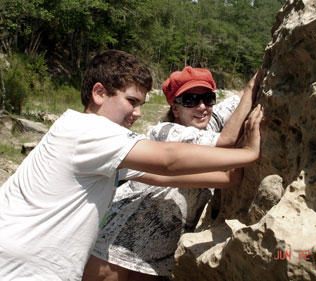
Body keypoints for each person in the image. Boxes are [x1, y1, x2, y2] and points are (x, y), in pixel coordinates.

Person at [0, 50, 263, 280]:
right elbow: (169, 160)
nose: (138, 113)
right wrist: (249, 153)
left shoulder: (96, 143)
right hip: (25, 266)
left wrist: (233, 174)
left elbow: (164, 177)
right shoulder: (89, 130)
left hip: (39, 262)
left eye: (141, 104)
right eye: (131, 102)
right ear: (99, 93)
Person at [82, 66, 262, 281]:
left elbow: (240, 98)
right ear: (175, 109)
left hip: (160, 255)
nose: (202, 106)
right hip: (118, 240)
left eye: (208, 98)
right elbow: (227, 140)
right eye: (190, 100)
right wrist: (252, 89)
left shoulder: (210, 121)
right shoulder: (167, 132)